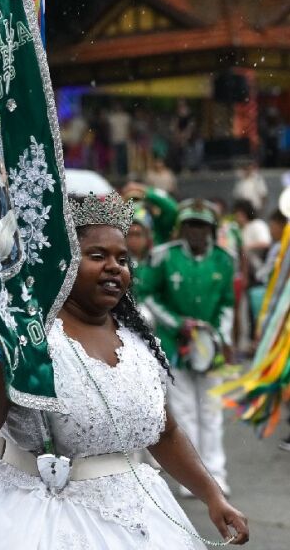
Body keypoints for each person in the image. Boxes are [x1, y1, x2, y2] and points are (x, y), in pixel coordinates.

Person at [0, 193, 249, 548]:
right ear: (61, 260)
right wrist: (9, 344)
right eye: (97, 255)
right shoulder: (24, 332)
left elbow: (164, 433)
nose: (114, 266)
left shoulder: (137, 338)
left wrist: (213, 497)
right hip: (29, 519)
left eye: (122, 259)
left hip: (136, 518)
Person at [147, 199, 236, 496]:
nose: (196, 232)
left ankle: (217, 474)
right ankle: (195, 478)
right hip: (176, 347)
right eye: (190, 225)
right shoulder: (165, 258)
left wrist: (219, 337)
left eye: (202, 226)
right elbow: (148, 295)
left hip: (211, 350)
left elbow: (227, 304)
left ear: (211, 229)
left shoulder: (224, 260)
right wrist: (176, 324)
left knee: (211, 412)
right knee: (184, 413)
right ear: (182, 228)